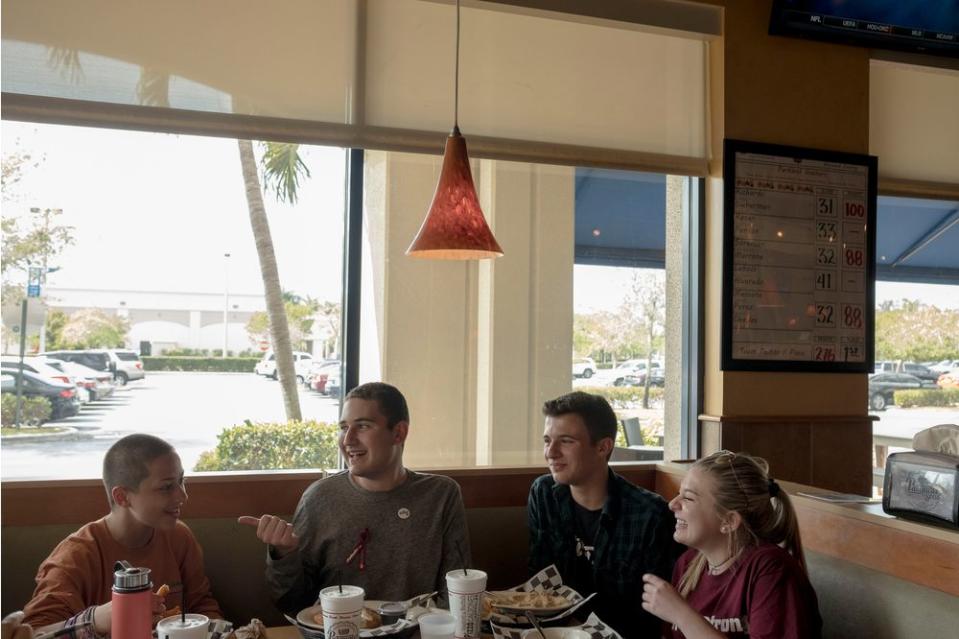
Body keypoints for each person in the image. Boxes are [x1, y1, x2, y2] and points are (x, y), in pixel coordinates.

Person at [240, 382, 470, 614]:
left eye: (362, 426)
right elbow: (291, 603)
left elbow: (457, 591)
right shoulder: (320, 498)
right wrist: (284, 555)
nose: (347, 439)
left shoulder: (441, 495)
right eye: (343, 427)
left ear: (398, 433)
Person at [22, 434, 222, 638]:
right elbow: (33, 631)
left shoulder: (179, 537)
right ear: (122, 497)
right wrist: (97, 619)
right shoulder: (76, 556)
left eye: (182, 481)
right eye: (167, 487)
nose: (182, 496)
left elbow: (202, 606)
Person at [527, 391, 681, 637]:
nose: (551, 452)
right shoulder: (544, 494)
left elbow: (658, 613)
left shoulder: (651, 515)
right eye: (547, 440)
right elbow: (540, 584)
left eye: (566, 441)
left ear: (603, 447)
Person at [641, 450, 822, 639]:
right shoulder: (688, 564)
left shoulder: (772, 570)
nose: (672, 504)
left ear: (728, 521)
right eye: (679, 494)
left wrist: (681, 615)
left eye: (688, 498)